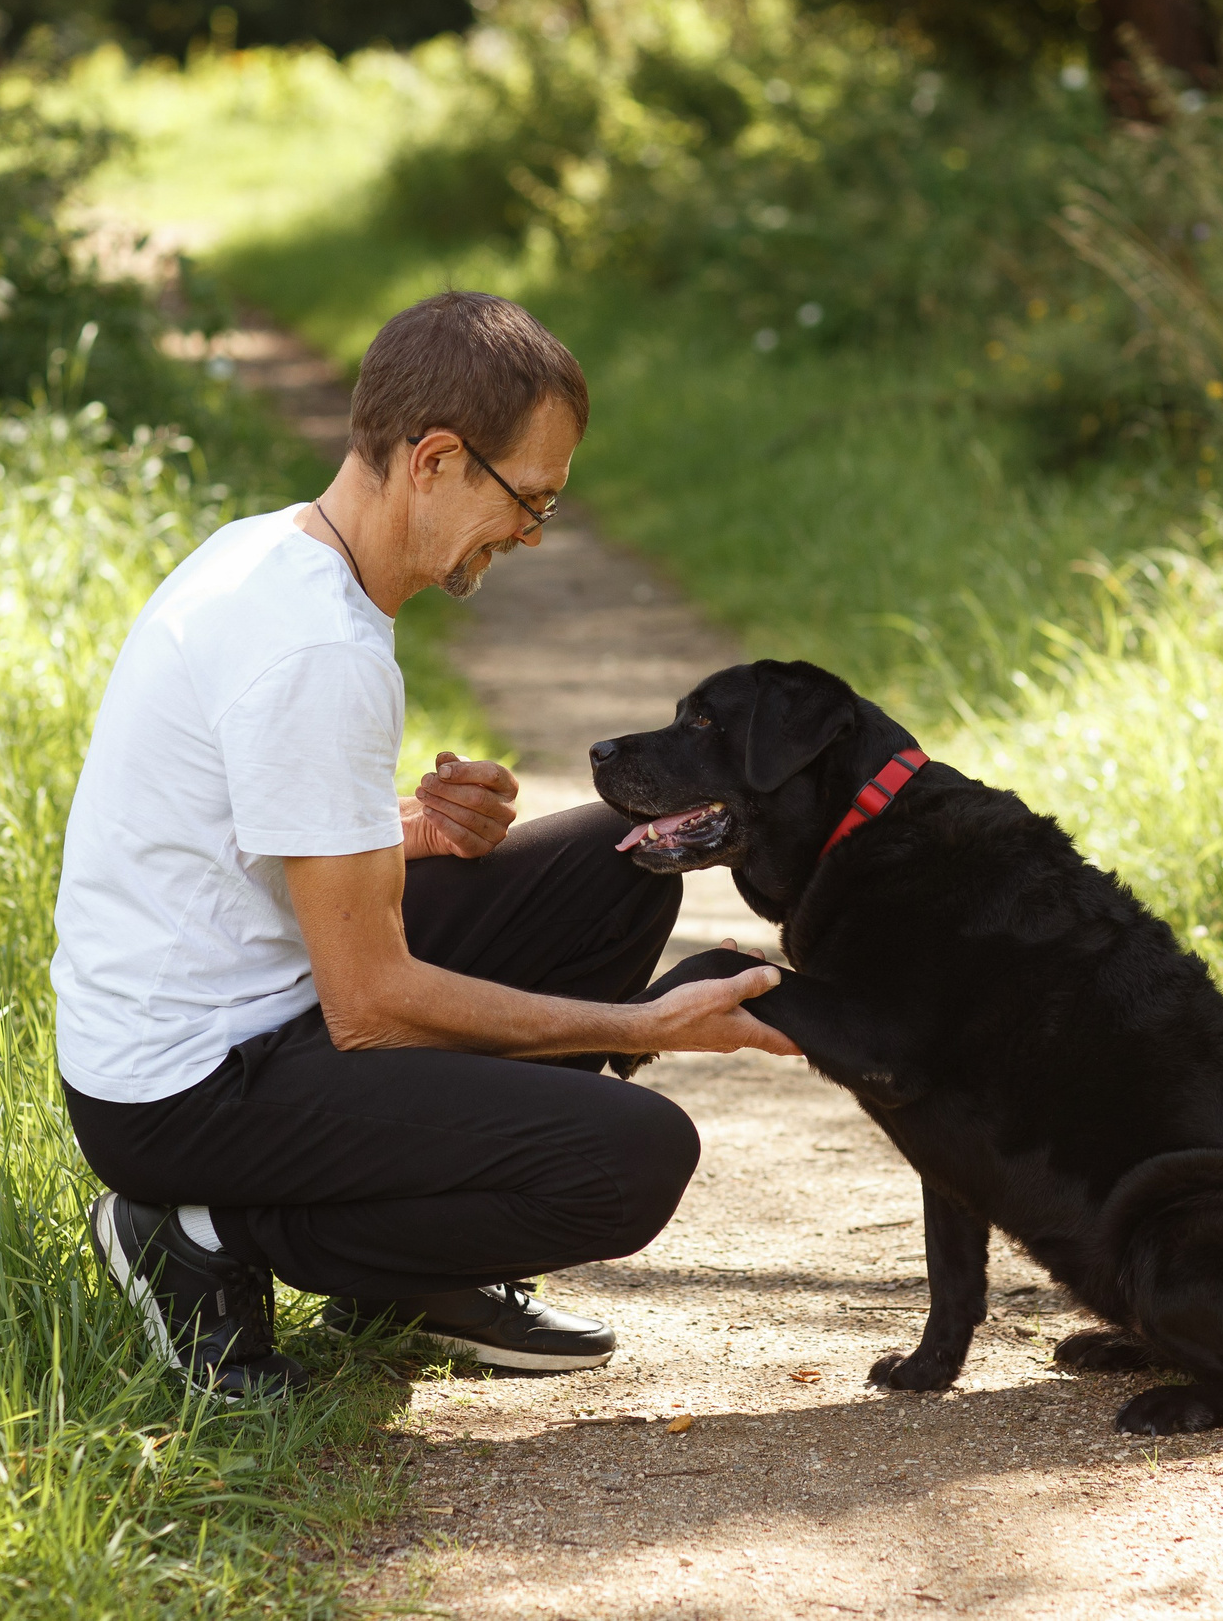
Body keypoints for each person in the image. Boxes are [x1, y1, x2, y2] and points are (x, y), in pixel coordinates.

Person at [51, 290, 800, 1399]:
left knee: (617, 857)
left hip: (247, 1010)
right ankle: (202, 1233)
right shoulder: (318, 651)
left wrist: (405, 832)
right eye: (527, 499)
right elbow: (373, 1006)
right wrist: (647, 1026)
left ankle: (419, 1271)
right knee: (633, 1158)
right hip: (184, 1093)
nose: (533, 534)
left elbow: (238, 846)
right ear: (436, 459)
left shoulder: (275, 554)